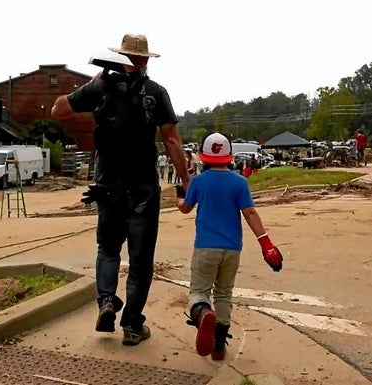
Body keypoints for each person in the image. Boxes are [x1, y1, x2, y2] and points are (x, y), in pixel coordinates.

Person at [51, 33, 190, 346]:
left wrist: (90, 84)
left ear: (121, 57)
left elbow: (57, 111)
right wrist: (185, 180)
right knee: (141, 261)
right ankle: (132, 325)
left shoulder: (100, 88)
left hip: (107, 187)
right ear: (143, 60)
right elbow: (171, 141)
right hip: (143, 189)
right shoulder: (156, 93)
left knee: (108, 249)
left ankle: (106, 302)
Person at [176, 132, 283, 360]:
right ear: (229, 156)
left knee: (198, 292)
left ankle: (203, 313)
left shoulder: (199, 182)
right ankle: (218, 346)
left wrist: (178, 201)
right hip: (232, 248)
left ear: (203, 157)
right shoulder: (239, 182)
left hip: (205, 247)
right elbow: (250, 212)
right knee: (224, 293)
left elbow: (186, 208)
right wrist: (266, 243)